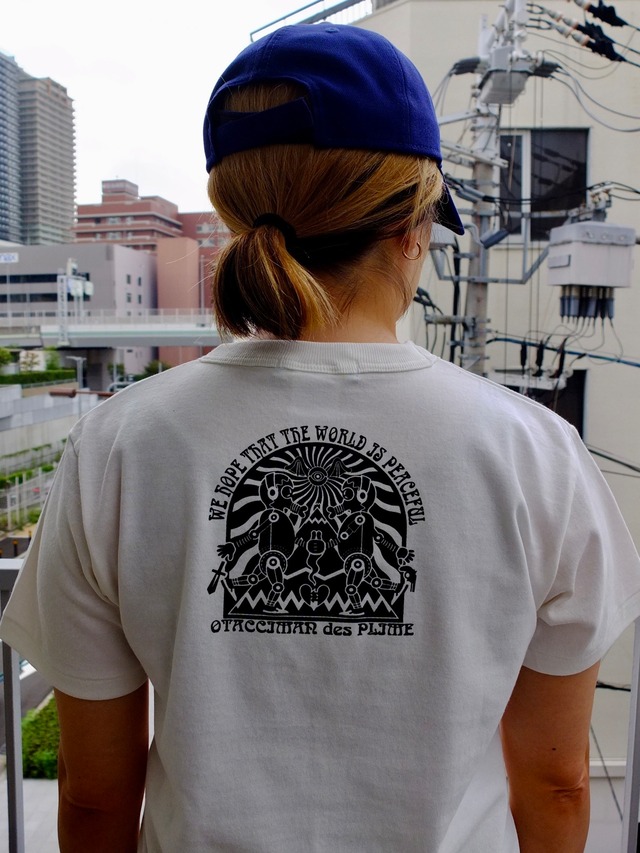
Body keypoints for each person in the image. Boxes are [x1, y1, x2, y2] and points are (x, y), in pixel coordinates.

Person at [1, 22, 639, 853]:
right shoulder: (538, 454)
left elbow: (93, 799)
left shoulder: (118, 445)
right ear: (412, 228)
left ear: (235, 212)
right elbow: (556, 787)